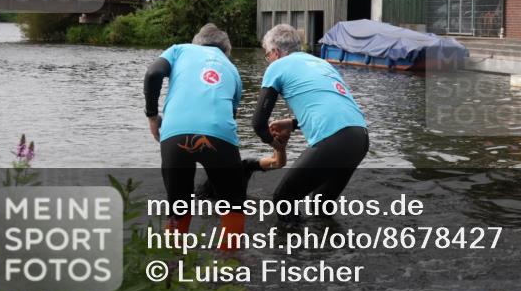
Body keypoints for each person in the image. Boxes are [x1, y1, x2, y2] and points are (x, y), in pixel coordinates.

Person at [143, 24, 245, 249]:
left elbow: (153, 73)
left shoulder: (179, 50)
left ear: (196, 42)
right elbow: (230, 116)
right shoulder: (232, 69)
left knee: (178, 206)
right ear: (226, 50)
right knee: (233, 205)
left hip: (175, 133)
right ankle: (229, 262)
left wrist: (152, 116)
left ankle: (174, 261)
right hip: (219, 135)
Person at [253, 24, 369, 223]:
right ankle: (327, 242)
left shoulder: (277, 66)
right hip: (360, 138)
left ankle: (291, 244)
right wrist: (292, 123)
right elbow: (334, 107)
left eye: (267, 55)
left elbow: (258, 123)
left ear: (276, 52)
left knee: (284, 199)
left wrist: (277, 145)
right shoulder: (322, 63)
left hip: (334, 141)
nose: (268, 60)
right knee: (320, 206)